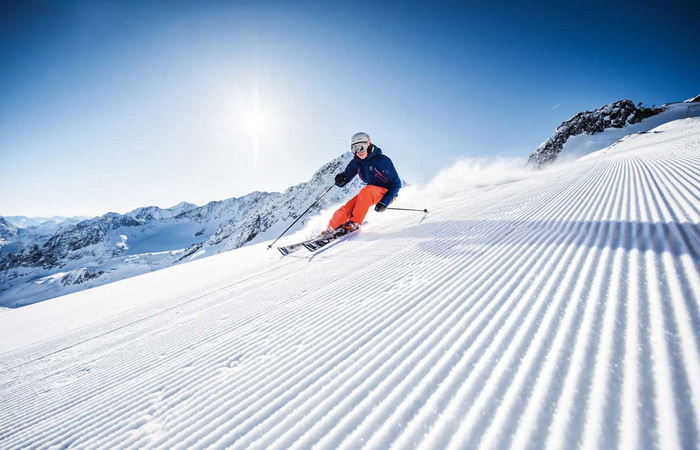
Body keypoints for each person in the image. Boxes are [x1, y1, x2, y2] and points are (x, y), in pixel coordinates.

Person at [327, 132, 401, 234]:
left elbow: (396, 184)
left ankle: (354, 223)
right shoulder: (356, 163)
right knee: (347, 208)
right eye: (355, 148)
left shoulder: (382, 160)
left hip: (386, 193)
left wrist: (385, 202)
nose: (359, 151)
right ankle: (330, 229)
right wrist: (341, 180)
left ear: (368, 144)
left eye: (361, 147)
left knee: (367, 191)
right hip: (367, 194)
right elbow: (346, 178)